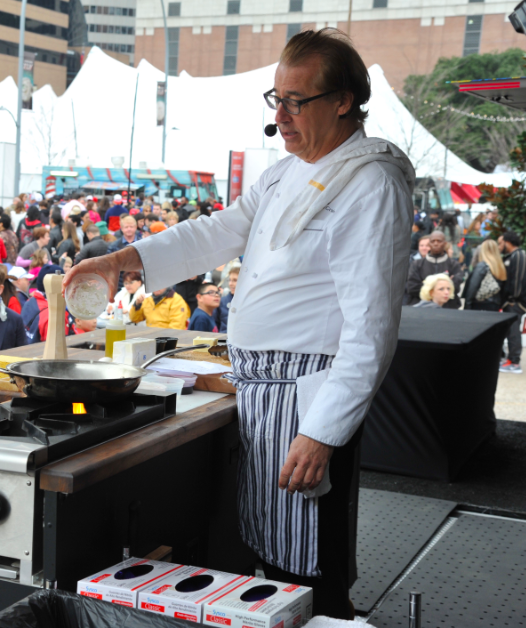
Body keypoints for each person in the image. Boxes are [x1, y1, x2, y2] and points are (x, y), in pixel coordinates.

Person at [64, 28, 415, 618]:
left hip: (309, 398)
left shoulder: (370, 183)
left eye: (295, 102)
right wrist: (124, 259)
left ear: (344, 101)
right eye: (274, 100)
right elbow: (218, 231)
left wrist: (322, 432)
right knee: (268, 567)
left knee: (308, 569)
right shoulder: (284, 172)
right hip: (263, 391)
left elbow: (371, 330)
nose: (280, 118)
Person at [405, 231, 463, 308]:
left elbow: (455, 288)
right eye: (433, 241)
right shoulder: (416, 264)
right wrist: (444, 285)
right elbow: (412, 288)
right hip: (421, 308)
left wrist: (425, 284)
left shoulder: (454, 265)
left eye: (439, 241)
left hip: (448, 308)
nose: (436, 243)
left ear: (445, 244)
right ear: (429, 244)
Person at [499, 231, 526, 374]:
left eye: (500, 243)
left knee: (514, 331)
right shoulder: (513, 256)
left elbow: (517, 279)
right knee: (511, 331)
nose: (499, 246)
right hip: (513, 302)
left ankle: (514, 362)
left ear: (508, 242)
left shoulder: (519, 255)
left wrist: (512, 299)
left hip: (516, 303)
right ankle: (511, 359)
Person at [462, 239, 505, 312]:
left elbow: (472, 287)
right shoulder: (501, 267)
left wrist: (467, 306)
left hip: (480, 305)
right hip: (495, 305)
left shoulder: (482, 266)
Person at [217, 265, 240, 332]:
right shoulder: (223, 301)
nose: (230, 283)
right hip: (223, 339)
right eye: (229, 280)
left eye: (235, 280)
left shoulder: (249, 301)